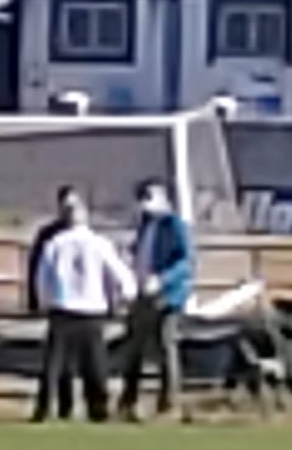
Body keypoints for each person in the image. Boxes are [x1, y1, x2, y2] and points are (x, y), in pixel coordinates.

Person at [33, 193, 135, 423]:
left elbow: (43, 277)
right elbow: (121, 273)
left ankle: (45, 408)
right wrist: (126, 296)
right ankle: (98, 409)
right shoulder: (99, 243)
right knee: (95, 364)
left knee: (54, 364)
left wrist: (45, 301)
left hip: (63, 308)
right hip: (92, 311)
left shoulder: (55, 244)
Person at [119, 179, 194, 420]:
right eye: (142, 197)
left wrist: (163, 280)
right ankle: (128, 403)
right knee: (134, 348)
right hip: (142, 294)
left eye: (149, 196)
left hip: (167, 297)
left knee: (165, 347)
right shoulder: (145, 225)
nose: (144, 202)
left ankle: (169, 404)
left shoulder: (175, 226)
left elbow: (186, 262)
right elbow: (142, 251)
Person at [26, 185, 83, 422]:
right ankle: (45, 407)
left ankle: (69, 407)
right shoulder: (48, 235)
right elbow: (36, 269)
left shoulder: (85, 234)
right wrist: (36, 299)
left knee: (73, 361)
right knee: (54, 360)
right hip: (58, 304)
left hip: (82, 305)